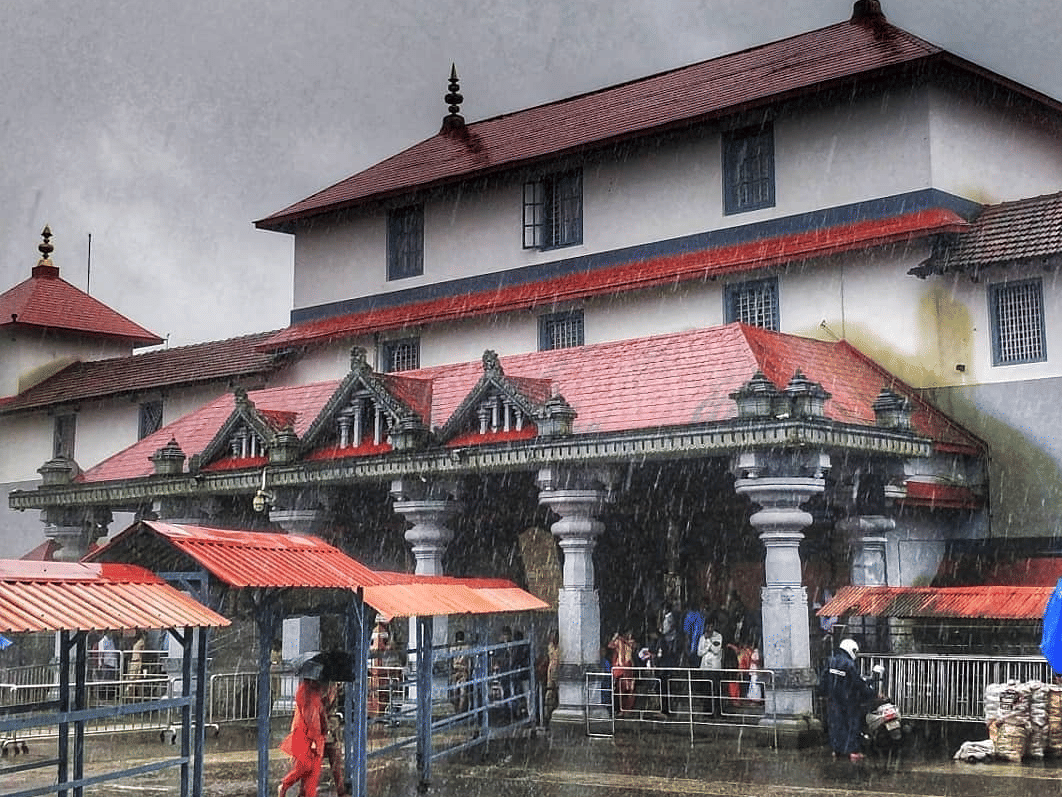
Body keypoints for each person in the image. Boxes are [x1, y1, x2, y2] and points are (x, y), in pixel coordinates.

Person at [820, 638, 877, 762]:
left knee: (835, 725)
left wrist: (825, 693)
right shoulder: (849, 664)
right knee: (852, 725)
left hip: (832, 700)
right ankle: (852, 751)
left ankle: (836, 750)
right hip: (848, 700)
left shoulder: (831, 660)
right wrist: (869, 693)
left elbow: (823, 679)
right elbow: (857, 683)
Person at [279, 677, 326, 797]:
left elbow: (317, 717)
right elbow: (311, 718)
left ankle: (287, 786)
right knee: (306, 767)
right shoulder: (306, 692)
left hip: (314, 737)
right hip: (305, 736)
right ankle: (285, 784)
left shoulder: (315, 692)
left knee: (312, 775)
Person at [321, 681, 347, 797]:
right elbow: (322, 709)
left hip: (331, 730)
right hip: (323, 730)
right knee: (313, 764)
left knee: (336, 762)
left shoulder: (335, 687)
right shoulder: (325, 688)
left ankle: (341, 791)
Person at [696, 617, 724, 716]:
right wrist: (707, 646)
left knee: (715, 690)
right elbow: (699, 652)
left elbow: (716, 650)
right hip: (705, 666)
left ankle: (717, 712)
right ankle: (707, 711)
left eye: (711, 626)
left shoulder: (718, 636)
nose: (709, 628)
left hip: (715, 667)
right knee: (706, 690)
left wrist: (708, 644)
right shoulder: (702, 637)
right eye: (708, 626)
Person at [608, 628, 636, 713]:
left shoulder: (630, 642)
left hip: (628, 668)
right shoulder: (619, 642)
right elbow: (610, 645)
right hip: (620, 669)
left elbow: (633, 647)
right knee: (619, 689)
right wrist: (615, 638)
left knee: (629, 689)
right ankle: (620, 709)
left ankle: (627, 709)